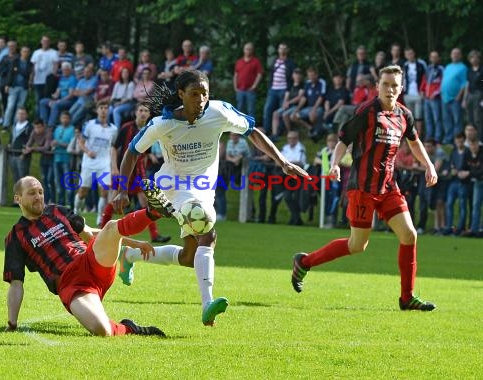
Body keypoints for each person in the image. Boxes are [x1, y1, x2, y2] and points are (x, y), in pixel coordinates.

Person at [113, 70, 308, 325]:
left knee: (188, 257)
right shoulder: (163, 123)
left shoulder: (219, 112)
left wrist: (282, 162)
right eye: (195, 94)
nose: (201, 99)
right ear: (181, 95)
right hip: (173, 185)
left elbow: (253, 132)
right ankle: (207, 305)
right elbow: (132, 152)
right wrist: (121, 189)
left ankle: (130, 255)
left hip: (203, 188)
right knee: (208, 231)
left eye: (205, 93)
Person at [291, 65, 438, 311]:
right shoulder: (366, 112)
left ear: (401, 89)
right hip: (362, 188)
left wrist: (429, 165)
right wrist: (335, 164)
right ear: (377, 87)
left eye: (394, 85)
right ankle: (304, 262)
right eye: (385, 84)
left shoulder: (404, 115)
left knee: (409, 235)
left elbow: (414, 141)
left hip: (389, 187)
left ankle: (407, 297)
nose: (390, 89)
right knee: (357, 246)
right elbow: (343, 141)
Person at [3, 175, 167, 337]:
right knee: (102, 329)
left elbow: (92, 234)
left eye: (40, 192)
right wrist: (12, 322)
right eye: (32, 193)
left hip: (89, 261)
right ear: (18, 198)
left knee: (110, 226)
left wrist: (134, 243)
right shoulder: (16, 236)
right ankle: (129, 328)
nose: (38, 197)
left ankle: (153, 212)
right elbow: (16, 283)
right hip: (70, 284)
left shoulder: (57, 210)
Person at [98, 102, 170, 243]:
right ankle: (100, 231)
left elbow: (145, 154)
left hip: (139, 172)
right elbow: (114, 148)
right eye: (141, 110)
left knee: (146, 201)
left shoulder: (151, 130)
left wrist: (147, 164)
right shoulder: (126, 128)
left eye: (146, 111)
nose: (143, 113)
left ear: (149, 115)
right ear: (135, 112)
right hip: (123, 169)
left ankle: (154, 235)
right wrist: (114, 167)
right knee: (114, 200)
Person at [233, 42, 263, 118]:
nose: (248, 51)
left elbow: (260, 74)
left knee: (251, 110)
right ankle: (240, 128)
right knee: (239, 110)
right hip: (240, 90)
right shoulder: (239, 61)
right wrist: (235, 87)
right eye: (246, 49)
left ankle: (250, 128)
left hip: (250, 90)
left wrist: (255, 85)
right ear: (244, 50)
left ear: (252, 51)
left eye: (250, 49)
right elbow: (236, 75)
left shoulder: (256, 61)